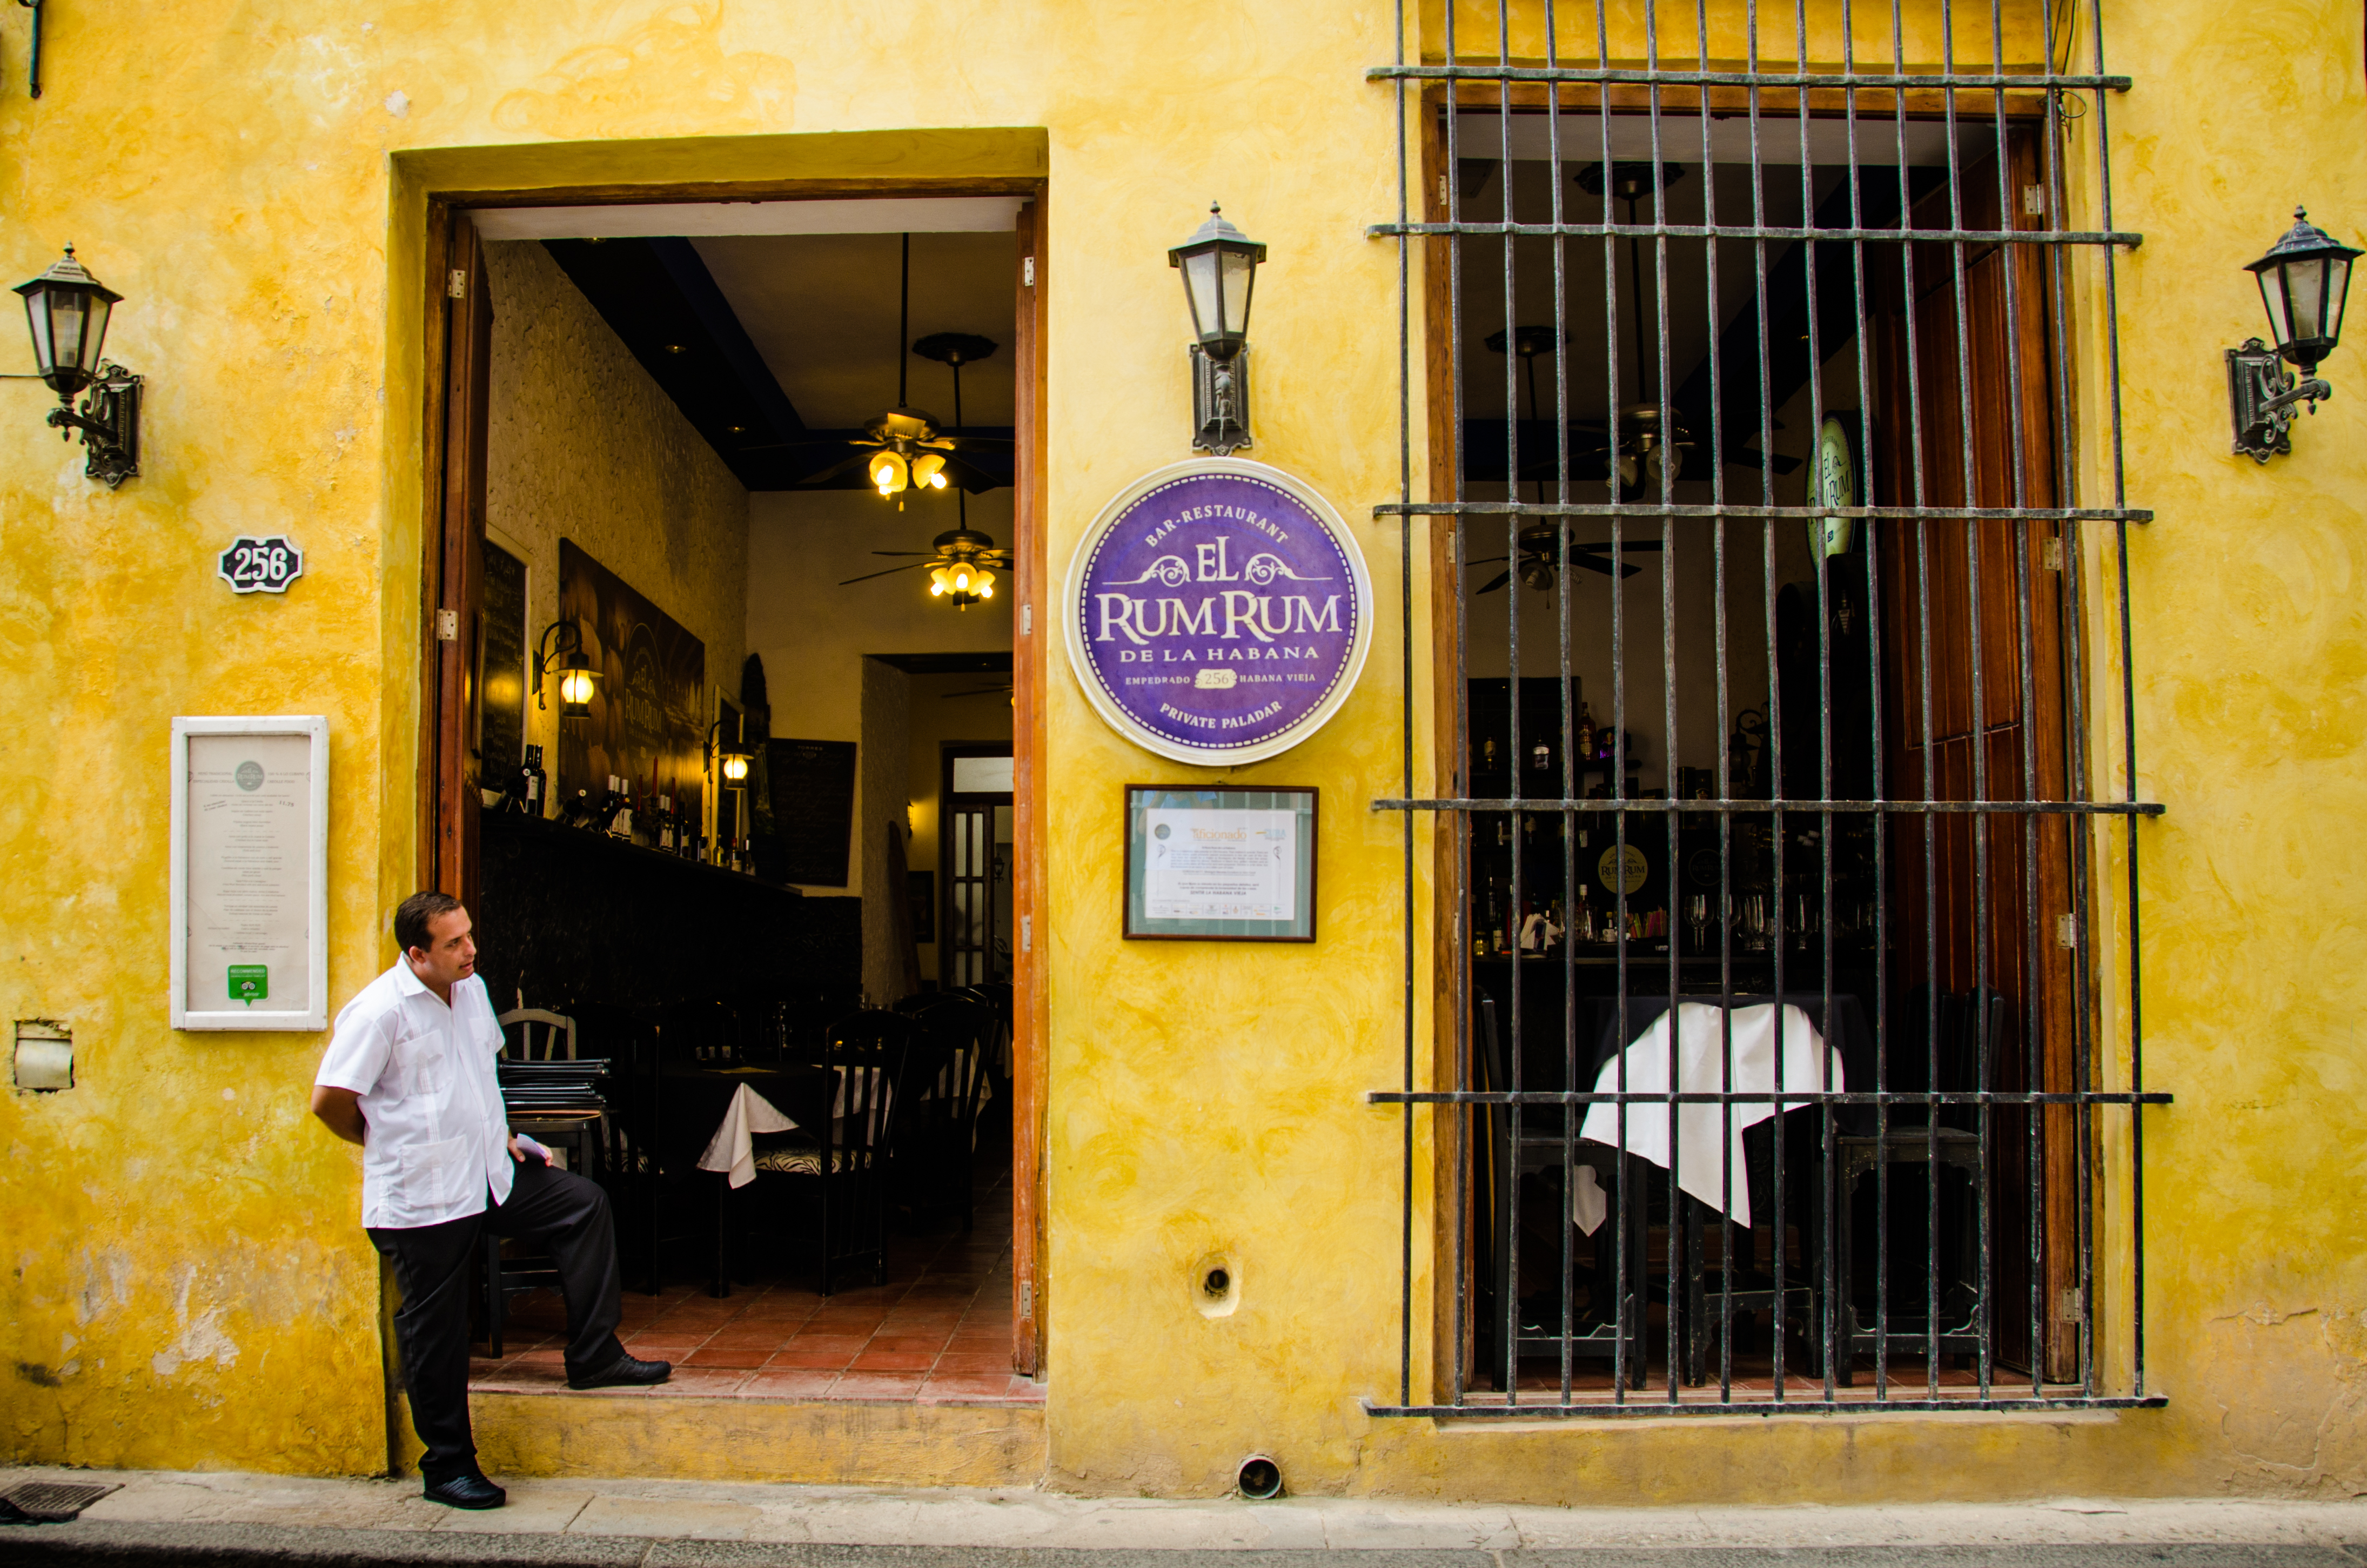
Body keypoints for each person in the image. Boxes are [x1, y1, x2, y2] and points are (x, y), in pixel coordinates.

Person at [310, 891, 668, 1510]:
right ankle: (447, 1465)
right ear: (416, 954)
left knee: (583, 1204)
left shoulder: (471, 989)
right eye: (453, 943)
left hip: (487, 1174)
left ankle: (594, 1354)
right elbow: (331, 1100)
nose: (470, 949)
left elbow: (476, 1076)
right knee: (436, 1331)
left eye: (468, 935)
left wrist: (505, 1137)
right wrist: (390, 1143)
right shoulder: (378, 1012)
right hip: (422, 1196)